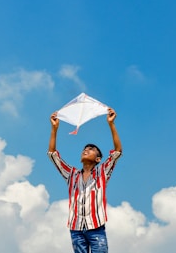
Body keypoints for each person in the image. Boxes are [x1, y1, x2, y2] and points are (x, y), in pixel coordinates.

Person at [47, 108, 122, 253]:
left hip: (96, 228)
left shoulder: (102, 172)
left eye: (91, 149)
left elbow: (117, 152)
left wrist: (111, 124)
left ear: (98, 159)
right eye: (84, 148)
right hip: (76, 228)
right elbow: (53, 155)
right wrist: (54, 129)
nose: (86, 150)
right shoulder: (71, 174)